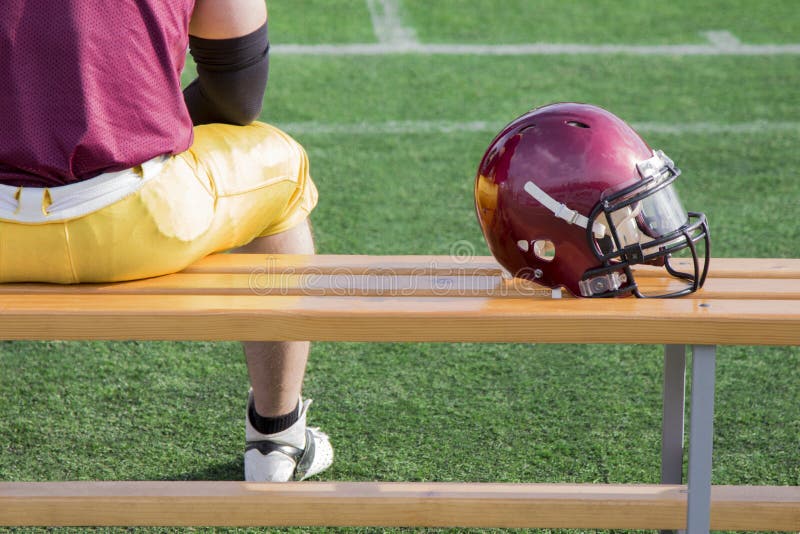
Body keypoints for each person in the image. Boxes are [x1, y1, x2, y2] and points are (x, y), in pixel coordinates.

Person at [0, 0, 332, 482]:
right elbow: (237, 95)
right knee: (284, 167)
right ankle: (277, 440)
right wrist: (137, 123)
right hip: (137, 221)